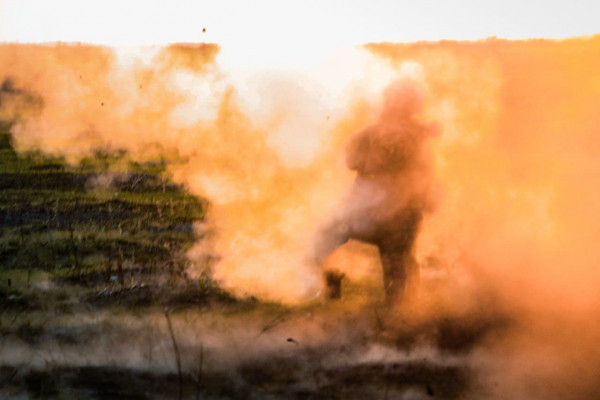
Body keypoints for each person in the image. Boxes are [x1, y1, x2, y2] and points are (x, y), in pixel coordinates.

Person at [313, 79, 439, 304]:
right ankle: (404, 312)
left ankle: (337, 293)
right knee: (400, 263)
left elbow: (352, 162)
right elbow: (426, 172)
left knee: (329, 238)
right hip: (396, 212)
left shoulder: (374, 133)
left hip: (375, 211)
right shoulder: (417, 135)